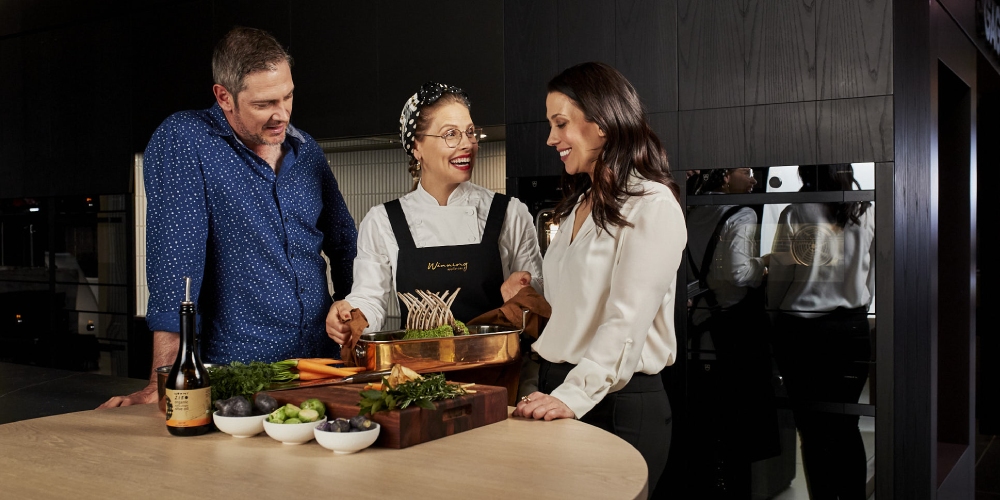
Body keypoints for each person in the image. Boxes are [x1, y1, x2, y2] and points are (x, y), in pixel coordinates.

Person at [100, 27, 357, 408]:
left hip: (323, 368)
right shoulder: (187, 140)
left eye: (288, 96)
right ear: (224, 97)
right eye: (264, 104)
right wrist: (162, 382)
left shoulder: (307, 150)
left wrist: (356, 322)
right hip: (239, 380)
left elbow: (345, 242)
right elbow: (176, 269)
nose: (282, 114)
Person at [512, 62, 685, 496]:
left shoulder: (652, 204)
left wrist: (570, 396)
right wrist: (528, 295)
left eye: (561, 124)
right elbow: (576, 306)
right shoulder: (578, 205)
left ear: (604, 124)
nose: (551, 138)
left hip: (615, 406)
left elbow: (626, 321)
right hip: (559, 390)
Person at [324, 82, 544, 395]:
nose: (467, 144)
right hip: (417, 386)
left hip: (497, 383)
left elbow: (540, 304)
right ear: (417, 146)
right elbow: (370, 298)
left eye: (470, 132)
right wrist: (350, 316)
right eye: (451, 134)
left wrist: (523, 295)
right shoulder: (383, 221)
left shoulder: (510, 213)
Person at [766, 163, 874, 500]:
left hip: (801, 332)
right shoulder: (865, 210)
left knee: (812, 430)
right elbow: (873, 271)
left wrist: (772, 314)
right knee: (846, 425)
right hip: (852, 328)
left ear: (806, 174)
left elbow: (780, 276)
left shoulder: (796, 211)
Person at [685, 167, 780, 496]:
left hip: (697, 334)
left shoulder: (692, 212)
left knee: (702, 433)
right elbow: (739, 273)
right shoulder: (742, 214)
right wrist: (763, 264)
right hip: (733, 337)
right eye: (746, 172)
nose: (753, 179)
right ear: (725, 176)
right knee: (737, 435)